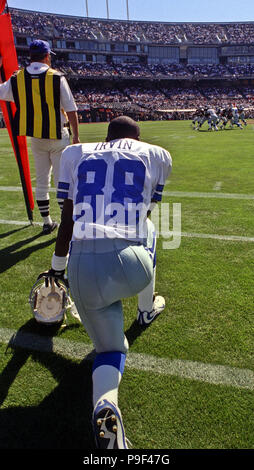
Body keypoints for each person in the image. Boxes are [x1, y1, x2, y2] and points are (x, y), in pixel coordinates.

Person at [43, 116, 172, 449]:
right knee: (151, 230)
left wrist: (57, 269)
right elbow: (143, 213)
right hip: (133, 267)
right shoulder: (155, 154)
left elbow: (68, 221)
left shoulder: (76, 154)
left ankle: (105, 402)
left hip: (84, 268)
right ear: (136, 137)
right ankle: (146, 309)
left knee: (112, 350)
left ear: (107, 135)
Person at [0, 39, 80, 234]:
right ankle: (65, 222)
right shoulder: (57, 77)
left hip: (35, 136)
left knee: (42, 180)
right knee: (63, 181)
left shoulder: (16, 78)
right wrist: (76, 137)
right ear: (46, 56)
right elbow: (71, 110)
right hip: (58, 135)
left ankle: (47, 221)